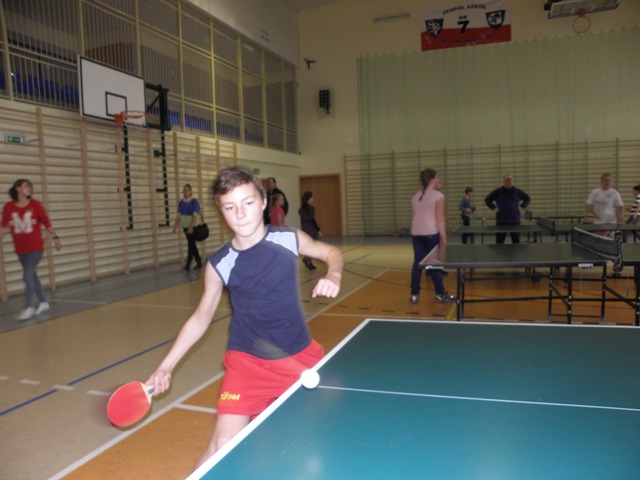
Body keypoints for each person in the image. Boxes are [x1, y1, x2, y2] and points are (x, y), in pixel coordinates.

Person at [146, 166, 343, 470]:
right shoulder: (220, 264)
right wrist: (165, 367)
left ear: (263, 202)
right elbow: (200, 318)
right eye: (230, 207)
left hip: (300, 357)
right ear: (220, 211)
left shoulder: (288, 239)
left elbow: (331, 252)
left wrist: (334, 274)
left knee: (318, 440)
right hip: (248, 362)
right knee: (223, 443)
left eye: (247, 202)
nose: (240, 214)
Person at [0, 179, 62, 321]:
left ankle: (29, 307)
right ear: (18, 188)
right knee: (32, 275)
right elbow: (3, 226)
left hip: (36, 248)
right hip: (21, 249)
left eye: (30, 186)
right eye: (26, 186)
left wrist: (56, 238)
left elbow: (46, 222)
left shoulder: (36, 205)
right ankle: (43, 302)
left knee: (27, 276)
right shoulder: (8, 207)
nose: (30, 188)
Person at [409, 168, 455, 305]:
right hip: (431, 234)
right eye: (438, 177)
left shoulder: (415, 196)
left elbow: (414, 217)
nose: (440, 180)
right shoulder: (438, 196)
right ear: (432, 180)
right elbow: (439, 219)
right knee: (435, 265)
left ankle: (414, 295)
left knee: (418, 264)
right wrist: (444, 237)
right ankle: (440, 294)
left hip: (416, 234)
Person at [484, 174, 531, 244]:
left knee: (516, 242)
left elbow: (527, 198)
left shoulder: (517, 191)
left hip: (515, 221)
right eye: (508, 180)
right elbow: (487, 199)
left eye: (511, 180)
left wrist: (522, 206)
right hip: (501, 221)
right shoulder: (498, 191)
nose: (510, 181)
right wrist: (494, 207)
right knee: (499, 243)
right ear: (503, 181)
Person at [173, 184, 202, 271]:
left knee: (190, 245)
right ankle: (199, 262)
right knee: (192, 245)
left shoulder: (194, 202)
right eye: (184, 190)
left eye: (187, 190)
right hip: (186, 228)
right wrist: (175, 227)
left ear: (190, 192)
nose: (185, 192)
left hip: (193, 227)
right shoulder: (181, 203)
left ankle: (188, 265)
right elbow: (178, 216)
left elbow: (195, 216)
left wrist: (191, 227)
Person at [298, 191, 323, 270]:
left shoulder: (301, 209)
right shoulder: (311, 208)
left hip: (305, 227)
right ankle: (307, 260)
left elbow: (302, 221)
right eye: (312, 197)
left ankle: (309, 261)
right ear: (309, 199)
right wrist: (318, 229)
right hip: (311, 228)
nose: (313, 199)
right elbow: (313, 220)